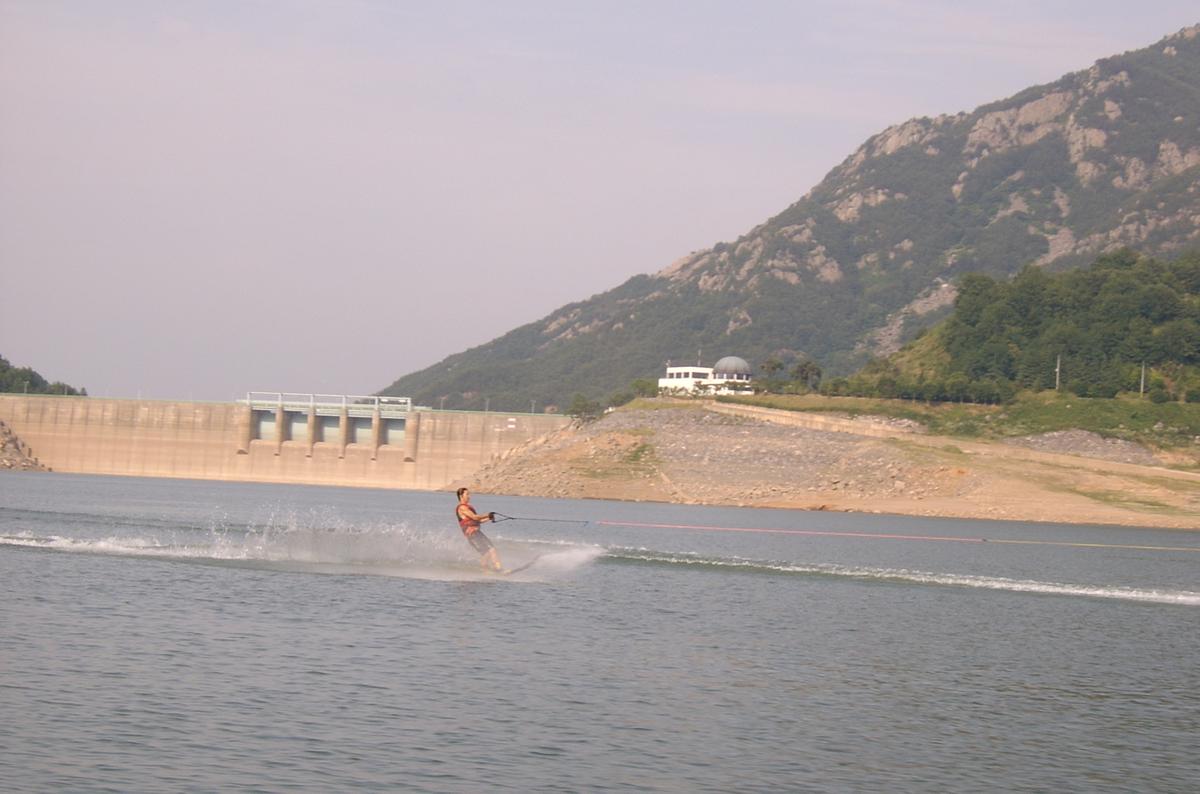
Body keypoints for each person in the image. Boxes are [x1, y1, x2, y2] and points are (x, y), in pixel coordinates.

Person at [455, 487, 503, 571]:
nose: (469, 496)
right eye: (467, 494)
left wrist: (489, 518)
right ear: (461, 496)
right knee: (486, 552)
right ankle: (488, 571)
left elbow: (479, 521)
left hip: (477, 533)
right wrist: (487, 514)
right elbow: (475, 517)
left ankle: (498, 569)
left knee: (491, 549)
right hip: (471, 534)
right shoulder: (462, 508)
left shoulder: (468, 507)